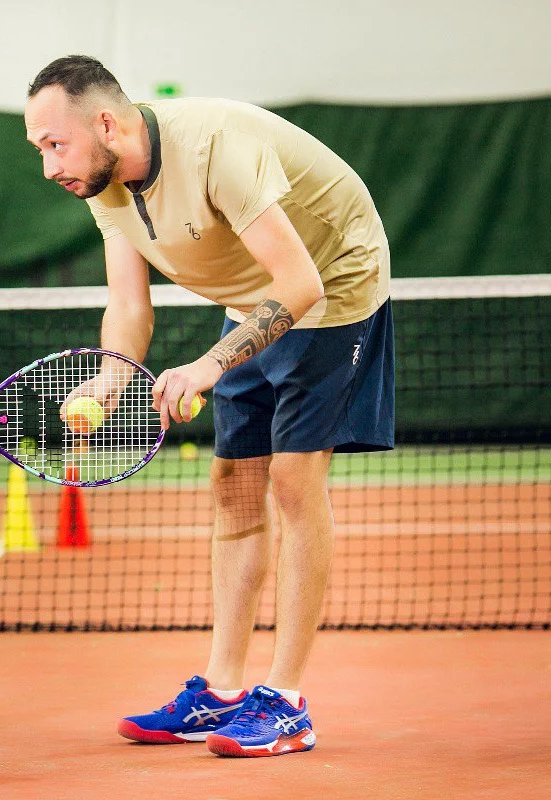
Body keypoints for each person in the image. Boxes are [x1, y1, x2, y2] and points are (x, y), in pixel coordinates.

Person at [25, 56, 393, 756]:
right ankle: (222, 690)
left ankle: (285, 703)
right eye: (39, 148)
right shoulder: (103, 186)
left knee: (292, 479)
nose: (49, 166)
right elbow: (128, 305)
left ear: (107, 122)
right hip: (256, 295)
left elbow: (301, 282)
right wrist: (107, 383)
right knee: (234, 484)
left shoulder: (216, 149)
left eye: (55, 144)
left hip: (333, 281)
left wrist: (209, 364)